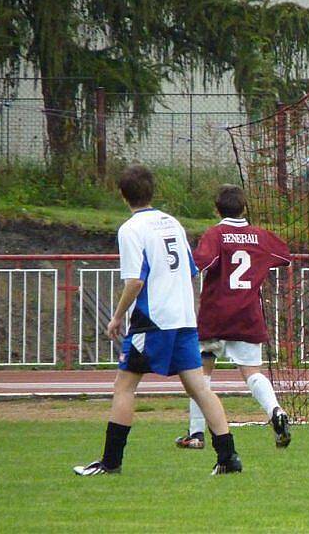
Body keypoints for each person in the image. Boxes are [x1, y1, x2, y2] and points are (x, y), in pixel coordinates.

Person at [73, 165, 241, 476]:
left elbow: (135, 281)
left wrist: (117, 317)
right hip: (183, 319)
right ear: (153, 192)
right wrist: (190, 309)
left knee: (124, 386)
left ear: (123, 195)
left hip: (153, 320)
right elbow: (191, 271)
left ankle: (110, 463)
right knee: (199, 388)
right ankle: (228, 457)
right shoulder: (172, 222)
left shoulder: (131, 229)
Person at [174, 184, 293, 450]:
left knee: (199, 373)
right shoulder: (261, 237)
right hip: (247, 316)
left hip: (215, 315)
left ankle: (196, 433)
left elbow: (200, 263)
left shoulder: (215, 234)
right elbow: (284, 257)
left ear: (216, 209)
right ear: (244, 208)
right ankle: (276, 411)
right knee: (252, 373)